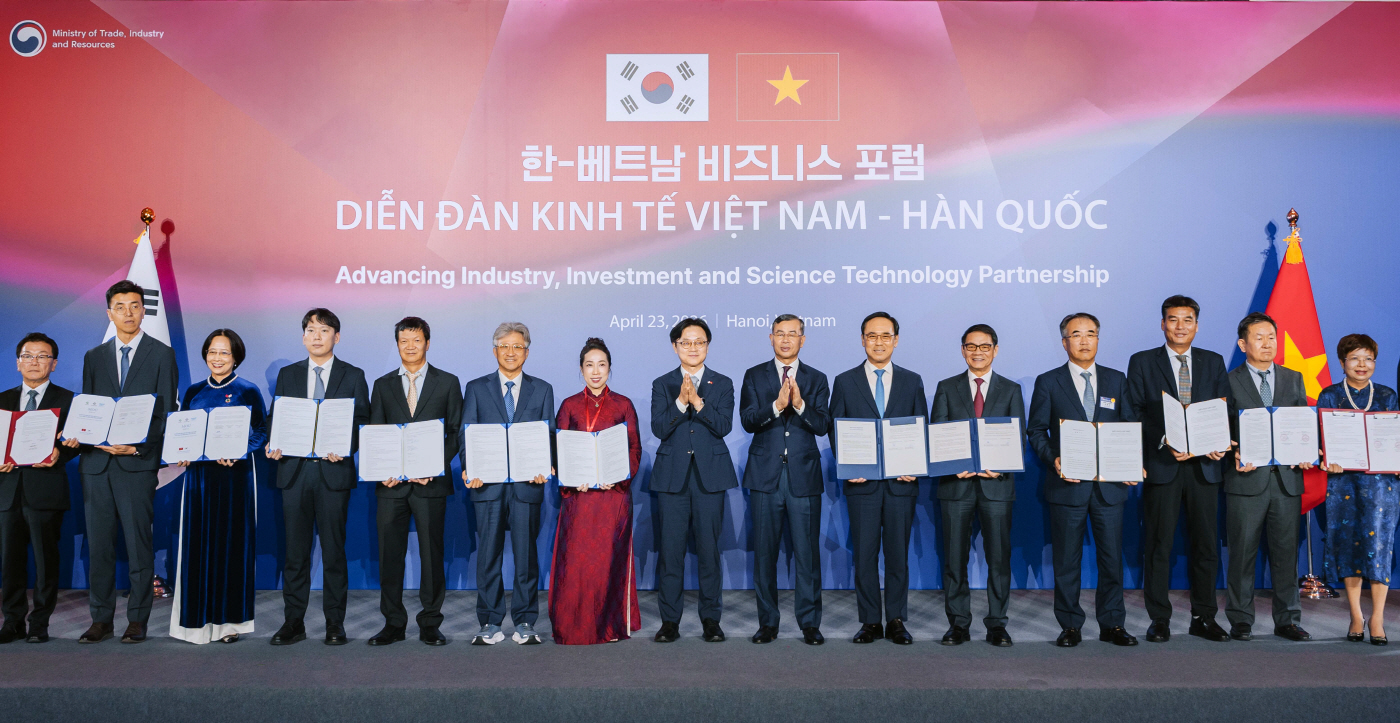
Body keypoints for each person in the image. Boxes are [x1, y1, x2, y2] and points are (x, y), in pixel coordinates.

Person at [62, 281, 179, 644]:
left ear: (144, 310)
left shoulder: (162, 354)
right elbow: (90, 407)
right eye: (120, 307)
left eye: (134, 306)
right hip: (96, 464)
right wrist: (81, 434)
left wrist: (139, 449)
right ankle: (101, 620)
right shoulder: (94, 357)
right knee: (99, 547)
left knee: (138, 545)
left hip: (136, 464)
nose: (128, 313)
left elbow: (165, 411)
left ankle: (137, 620)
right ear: (109, 313)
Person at [1027, 313, 1139, 648]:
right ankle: (1070, 625)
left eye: (1091, 333)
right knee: (1066, 561)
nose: (1085, 340)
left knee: (1111, 559)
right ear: (1065, 342)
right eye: (1077, 334)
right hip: (1067, 485)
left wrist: (1131, 462)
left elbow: (1129, 425)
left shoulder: (1117, 379)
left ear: (1098, 340)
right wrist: (1054, 459)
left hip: (1110, 487)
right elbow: (1036, 430)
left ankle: (1113, 624)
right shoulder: (1049, 381)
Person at [1126, 295, 1231, 643]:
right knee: (1159, 546)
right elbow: (1134, 411)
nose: (1180, 326)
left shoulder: (1213, 361)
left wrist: (1220, 441)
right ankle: (1159, 619)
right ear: (1162, 324)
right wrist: (1164, 439)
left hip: (1205, 467)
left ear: (1197, 326)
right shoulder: (1142, 361)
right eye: (1173, 319)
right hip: (1163, 464)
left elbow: (1225, 409)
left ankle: (1204, 617)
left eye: (1187, 320)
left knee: (1206, 547)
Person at [266, 308, 370, 646]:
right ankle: (293, 622)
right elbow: (276, 417)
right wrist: (273, 442)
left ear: (336, 337)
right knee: (295, 554)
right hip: (294, 473)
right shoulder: (288, 374)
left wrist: (346, 446)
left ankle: (334, 624)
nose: (316, 336)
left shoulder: (353, 375)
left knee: (333, 553)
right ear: (303, 337)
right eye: (310, 330)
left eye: (324, 330)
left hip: (333, 472)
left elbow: (362, 421)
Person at [829, 311, 928, 645]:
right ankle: (870, 621)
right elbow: (835, 428)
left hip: (902, 484)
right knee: (865, 555)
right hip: (863, 485)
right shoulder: (845, 381)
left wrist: (915, 463)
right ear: (862, 340)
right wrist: (849, 464)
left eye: (886, 336)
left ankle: (896, 620)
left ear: (896, 341)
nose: (879, 342)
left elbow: (921, 426)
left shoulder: (912, 380)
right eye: (872, 336)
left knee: (898, 555)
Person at [367, 317, 462, 646]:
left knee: (431, 555)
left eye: (416, 340)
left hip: (430, 484)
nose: (410, 346)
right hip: (390, 486)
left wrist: (434, 466)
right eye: (404, 341)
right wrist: (382, 468)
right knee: (389, 555)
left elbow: (455, 433)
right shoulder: (382, 385)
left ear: (427, 343)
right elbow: (376, 432)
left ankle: (430, 622)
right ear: (397, 344)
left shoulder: (447, 382)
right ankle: (393, 623)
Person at [168, 329, 266, 644]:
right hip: (199, 479)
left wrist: (239, 450)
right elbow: (183, 429)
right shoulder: (194, 391)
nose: (217, 358)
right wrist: (181, 452)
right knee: (197, 545)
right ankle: (195, 623)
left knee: (231, 546)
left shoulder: (247, 390)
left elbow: (262, 430)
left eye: (224, 352)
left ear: (236, 357)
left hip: (235, 478)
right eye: (212, 351)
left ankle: (229, 624)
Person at [930, 324, 1024, 647]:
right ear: (962, 350)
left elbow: (1018, 437)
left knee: (998, 560)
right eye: (971, 346)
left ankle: (997, 624)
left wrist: (1001, 466)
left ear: (995, 350)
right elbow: (937, 434)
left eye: (984, 346)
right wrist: (951, 465)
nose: (978, 352)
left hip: (996, 487)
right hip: (956, 487)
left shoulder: (1011, 389)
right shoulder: (946, 387)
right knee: (955, 559)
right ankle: (958, 624)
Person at [739, 314, 830, 646]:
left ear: (802, 340)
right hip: (766, 477)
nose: (786, 339)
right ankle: (768, 623)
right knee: (765, 554)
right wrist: (777, 406)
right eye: (780, 333)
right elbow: (748, 420)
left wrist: (800, 404)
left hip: (804, 477)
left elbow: (822, 425)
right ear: (771, 338)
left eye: (793, 334)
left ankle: (809, 623)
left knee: (807, 555)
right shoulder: (754, 375)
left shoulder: (817, 378)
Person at [462, 321, 555, 645]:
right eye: (505, 346)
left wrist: (546, 465)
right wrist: (469, 466)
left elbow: (548, 434)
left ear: (527, 352)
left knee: (526, 557)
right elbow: (466, 432)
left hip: (527, 486)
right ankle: (489, 622)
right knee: (488, 556)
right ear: (494, 351)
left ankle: (525, 621)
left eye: (518, 346)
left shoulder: (542, 389)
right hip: (487, 486)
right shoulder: (476, 388)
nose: (511, 352)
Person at [1224, 312, 1312, 642]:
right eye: (1258, 337)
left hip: (1286, 481)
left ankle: (1288, 619)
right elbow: (1221, 430)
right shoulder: (1228, 381)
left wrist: (1307, 449)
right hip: (1245, 481)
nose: (1267, 343)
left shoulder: (1293, 378)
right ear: (1242, 344)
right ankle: (1240, 619)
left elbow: (1302, 424)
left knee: (1286, 555)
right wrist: (1232, 453)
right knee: (1242, 554)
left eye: (1272, 337)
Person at [549, 337, 643, 644]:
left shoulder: (623, 405)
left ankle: (609, 626)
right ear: (581, 369)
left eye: (601, 365)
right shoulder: (569, 405)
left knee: (607, 562)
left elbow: (634, 449)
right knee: (576, 563)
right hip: (579, 497)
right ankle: (572, 625)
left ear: (610, 368)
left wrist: (618, 478)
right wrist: (570, 478)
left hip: (612, 497)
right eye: (589, 365)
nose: (596, 371)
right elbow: (559, 448)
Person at [650, 317, 738, 643]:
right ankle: (669, 622)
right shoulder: (663, 383)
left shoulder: (722, 383)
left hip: (709, 478)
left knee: (709, 552)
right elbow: (659, 428)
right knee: (670, 553)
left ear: (707, 346)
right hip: (672, 479)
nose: (692, 348)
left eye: (699, 342)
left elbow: (723, 426)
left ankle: (711, 621)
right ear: (675, 347)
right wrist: (679, 402)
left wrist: (698, 403)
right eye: (686, 342)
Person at [1320, 334, 1398, 645]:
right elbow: (1322, 442)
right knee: (1348, 546)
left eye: (1368, 358)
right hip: (1344, 483)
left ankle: (1377, 617)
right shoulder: (1330, 396)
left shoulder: (1388, 395)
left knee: (1379, 546)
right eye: (1354, 358)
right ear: (1342, 363)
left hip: (1382, 485)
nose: (1362, 364)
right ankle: (1355, 614)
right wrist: (1327, 459)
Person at [0, 333, 76, 644]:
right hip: (7, 491)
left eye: (42, 356)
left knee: (46, 561)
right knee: (10, 562)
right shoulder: (1, 400)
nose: (34, 362)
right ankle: (12, 622)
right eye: (28, 356)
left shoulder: (69, 400)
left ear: (53, 364)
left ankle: (40, 623)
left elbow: (78, 441)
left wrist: (63, 452)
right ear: (18, 362)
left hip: (46, 491)